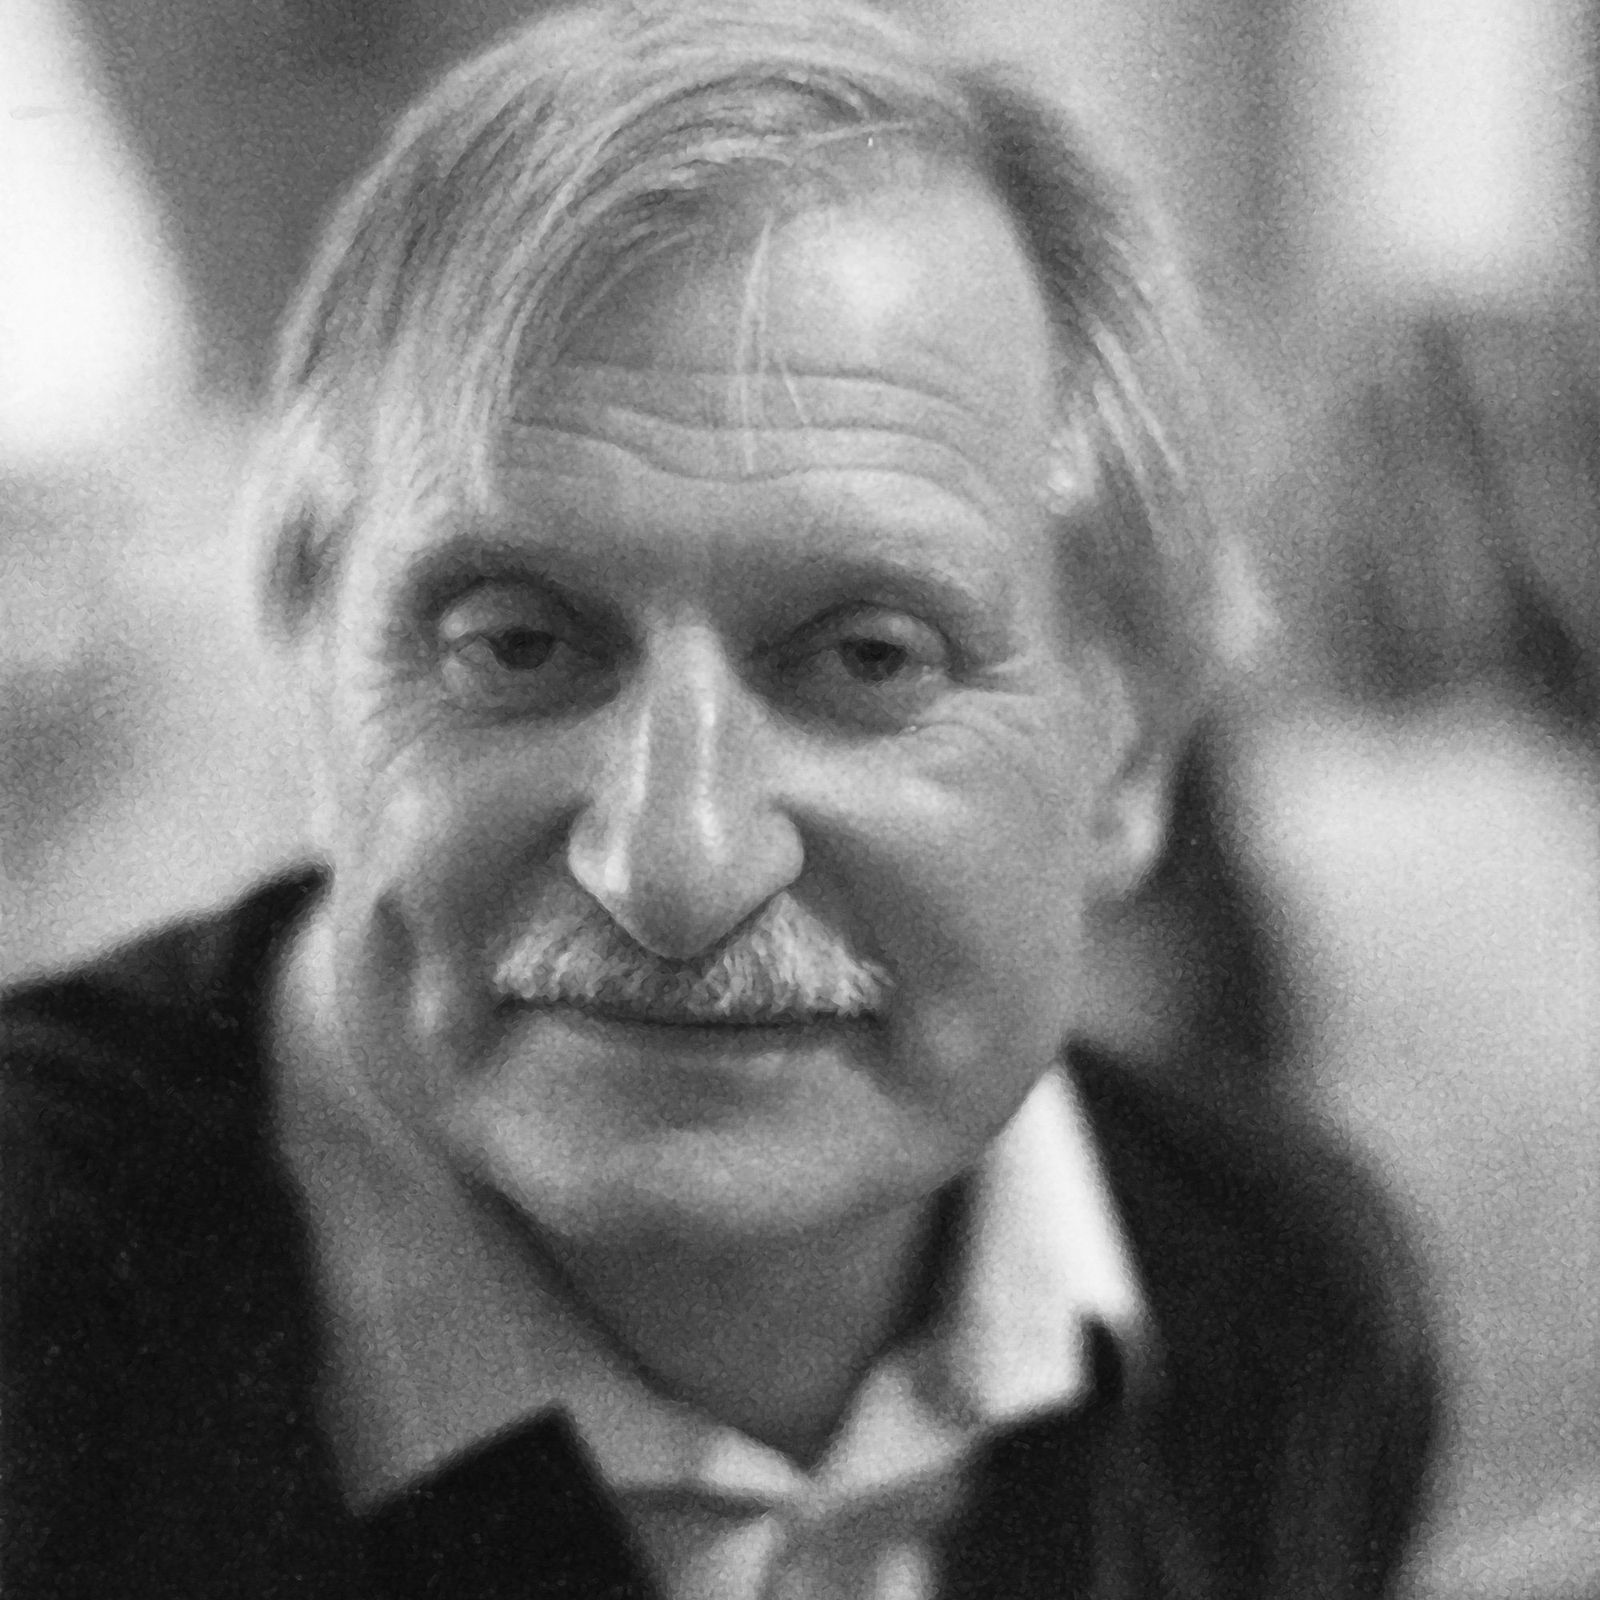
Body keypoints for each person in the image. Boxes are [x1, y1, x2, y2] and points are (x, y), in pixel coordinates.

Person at [0, 3, 1436, 1596]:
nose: (674, 862)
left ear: (1134, 758)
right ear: (315, 694)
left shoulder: (1273, 1305)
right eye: (518, 644)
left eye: (869, 657)